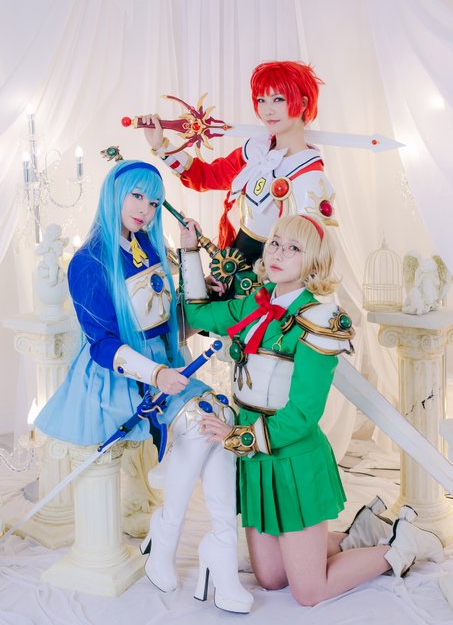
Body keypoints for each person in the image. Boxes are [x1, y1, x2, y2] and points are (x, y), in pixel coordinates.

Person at [179, 212, 445, 606]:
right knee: (271, 579)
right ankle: (359, 534)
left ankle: (404, 544)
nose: (278, 253)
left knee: (309, 591)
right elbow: (198, 314)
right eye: (275, 243)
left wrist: (237, 436)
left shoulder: (321, 321)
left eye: (293, 248)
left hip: (293, 460)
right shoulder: (255, 303)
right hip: (257, 462)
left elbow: (302, 417)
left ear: (314, 262)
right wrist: (188, 254)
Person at [34, 159, 253, 613]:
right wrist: (155, 374)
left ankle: (210, 551)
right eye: (137, 196)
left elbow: (167, 323)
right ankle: (176, 541)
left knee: (220, 422)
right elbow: (102, 344)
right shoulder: (88, 262)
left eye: (153, 202)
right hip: (115, 377)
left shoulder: (147, 247)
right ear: (114, 193)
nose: (145, 209)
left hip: (163, 367)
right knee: (203, 426)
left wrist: (191, 261)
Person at [143, 61, 336, 296]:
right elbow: (206, 176)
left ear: (303, 103)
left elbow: (309, 257)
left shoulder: (312, 178)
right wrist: (161, 146)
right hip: (232, 268)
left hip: (272, 288)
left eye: (278, 99)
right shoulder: (256, 152)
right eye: (261, 100)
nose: (267, 110)